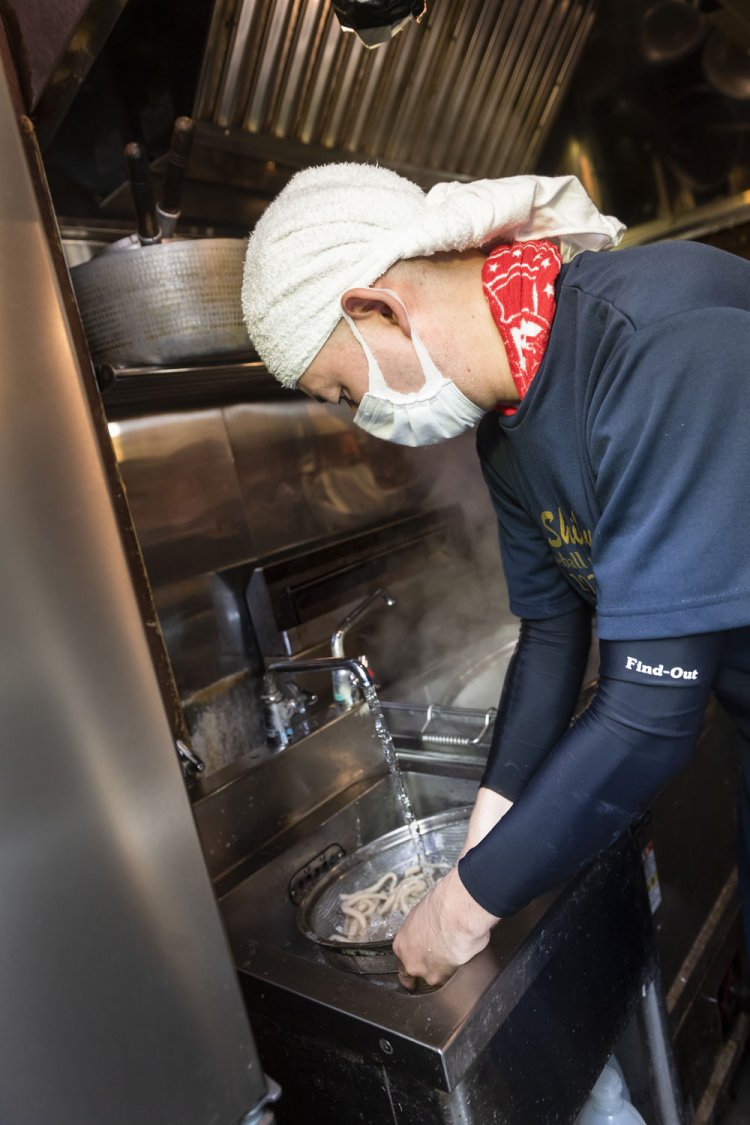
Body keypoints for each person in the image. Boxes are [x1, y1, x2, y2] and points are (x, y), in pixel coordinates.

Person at [241, 161, 750, 991]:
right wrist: (487, 830)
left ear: (381, 311)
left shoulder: (656, 345)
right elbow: (551, 636)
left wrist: (461, 906)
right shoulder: (506, 432)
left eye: (342, 391)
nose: (359, 419)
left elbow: (651, 715)